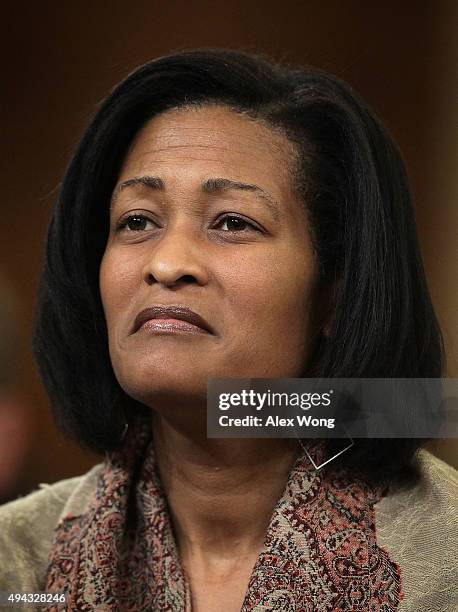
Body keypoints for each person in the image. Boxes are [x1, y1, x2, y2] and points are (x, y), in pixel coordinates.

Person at [0, 48, 456, 612]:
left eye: (232, 222)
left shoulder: (446, 561)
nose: (166, 263)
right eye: (137, 221)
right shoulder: (15, 562)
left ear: (337, 290)